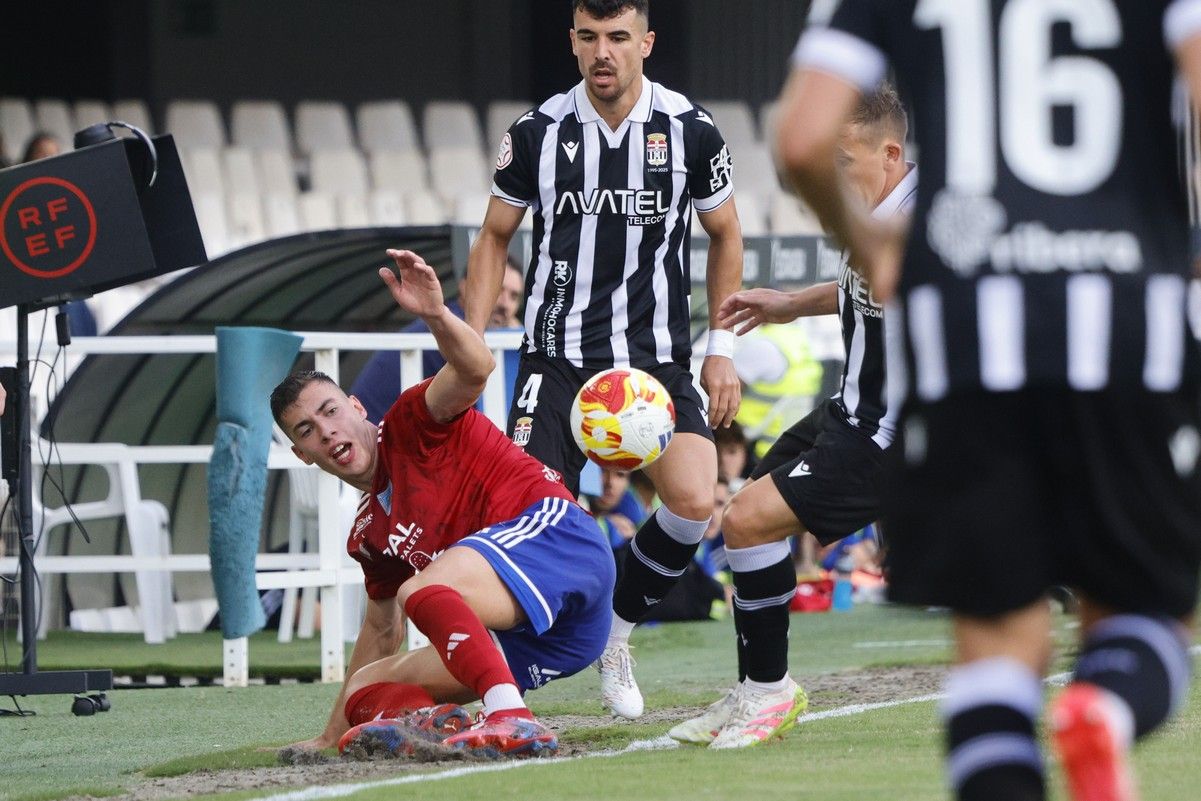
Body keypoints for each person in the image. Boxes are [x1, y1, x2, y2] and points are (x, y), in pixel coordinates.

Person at [784, 3, 1201, 801]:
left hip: (966, 344)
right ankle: (1104, 711)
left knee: (996, 653)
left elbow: (802, 138)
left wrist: (868, 245)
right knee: (1148, 620)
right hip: (1123, 329)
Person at [462, 0, 744, 720]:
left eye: (618, 37)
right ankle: (502, 683)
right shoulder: (537, 132)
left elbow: (726, 232)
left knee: (690, 501)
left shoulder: (690, 131)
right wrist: (467, 341)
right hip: (557, 362)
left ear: (644, 42)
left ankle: (614, 635)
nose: (603, 53)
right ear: (573, 41)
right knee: (538, 523)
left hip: (653, 362)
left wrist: (722, 349)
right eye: (589, 37)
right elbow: (495, 237)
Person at [273, 249, 615, 758]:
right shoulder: (368, 534)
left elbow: (476, 369)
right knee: (367, 689)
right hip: (538, 641)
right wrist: (330, 733)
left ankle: (511, 718)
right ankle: (436, 723)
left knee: (420, 589)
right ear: (302, 454)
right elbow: (381, 630)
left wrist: (435, 314)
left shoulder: (414, 418)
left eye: (331, 411)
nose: (327, 430)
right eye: (309, 431)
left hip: (561, 543)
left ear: (358, 407)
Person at [668, 85, 916, 750]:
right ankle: (758, 687)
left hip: (883, 435)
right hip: (846, 413)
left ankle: (770, 690)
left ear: (889, 153)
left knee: (747, 519)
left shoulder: (925, 222)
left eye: (844, 162)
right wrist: (787, 304)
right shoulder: (874, 210)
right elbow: (859, 286)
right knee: (745, 518)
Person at [351, 260, 524, 424]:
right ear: (465, 286)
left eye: (514, 296)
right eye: (498, 290)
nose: (505, 304)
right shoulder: (448, 328)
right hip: (377, 437)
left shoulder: (453, 323)